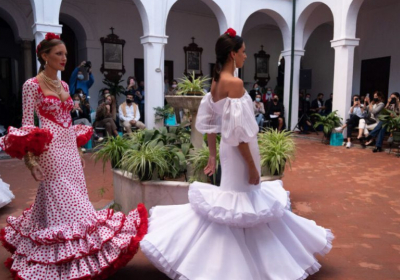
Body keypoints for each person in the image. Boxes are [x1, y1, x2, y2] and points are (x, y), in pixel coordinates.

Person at [140, 28, 333, 280]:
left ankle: (232, 260)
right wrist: (253, 166)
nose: (246, 55)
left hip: (229, 152)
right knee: (243, 201)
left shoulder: (216, 82)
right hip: (240, 152)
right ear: (233, 54)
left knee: (235, 202)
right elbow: (239, 134)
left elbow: (211, 124)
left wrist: (212, 155)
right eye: (243, 52)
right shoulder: (235, 83)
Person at [0, 33, 147, 279]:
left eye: (66, 54)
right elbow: (27, 124)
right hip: (49, 148)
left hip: (68, 146)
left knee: (65, 196)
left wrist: (78, 149)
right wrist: (31, 161)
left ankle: (53, 247)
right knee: (65, 198)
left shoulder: (65, 85)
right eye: (58, 54)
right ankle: (63, 258)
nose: (64, 58)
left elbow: (68, 121)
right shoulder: (31, 85)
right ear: (44, 56)